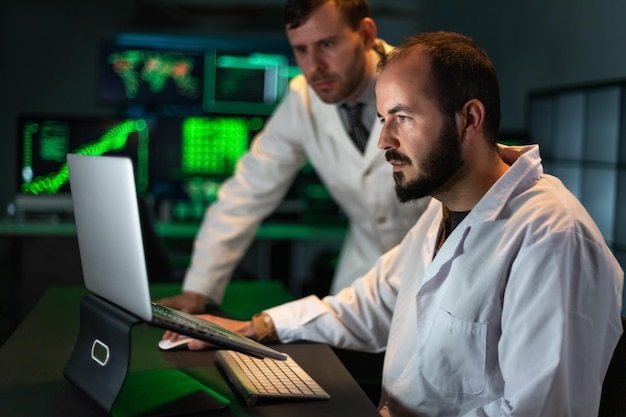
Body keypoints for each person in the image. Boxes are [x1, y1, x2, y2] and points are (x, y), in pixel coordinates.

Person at [167, 31, 624, 416]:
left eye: (403, 118)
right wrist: (256, 327)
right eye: (384, 119)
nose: (384, 140)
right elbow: (371, 302)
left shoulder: (552, 239)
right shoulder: (442, 208)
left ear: (469, 118)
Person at [158, 0, 429, 313]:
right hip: (363, 277)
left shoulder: (425, 81)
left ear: (366, 34)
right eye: (301, 50)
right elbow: (245, 192)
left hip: (436, 269)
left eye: (327, 44)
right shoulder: (303, 98)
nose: (314, 66)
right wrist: (199, 290)